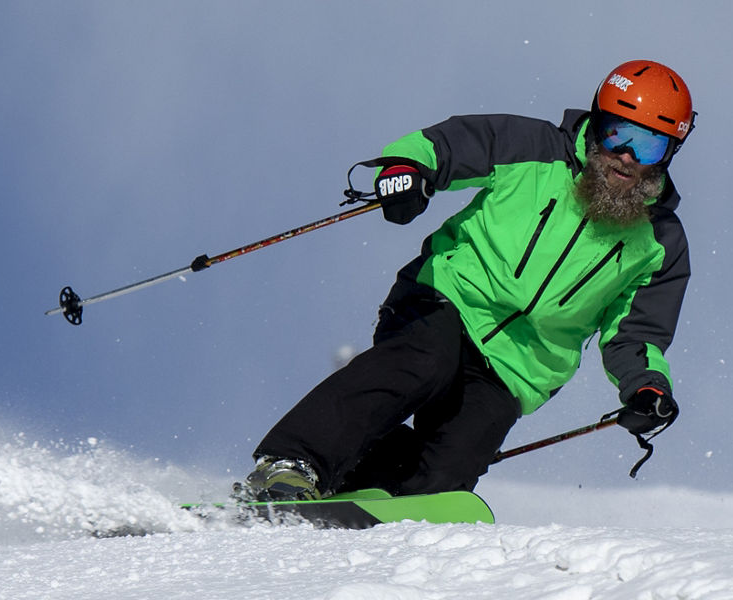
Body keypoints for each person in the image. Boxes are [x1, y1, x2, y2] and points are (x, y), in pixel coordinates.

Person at [241, 60, 698, 501]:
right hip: (447, 300)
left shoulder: (660, 242)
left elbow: (636, 335)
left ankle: (372, 491)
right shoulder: (534, 147)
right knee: (424, 361)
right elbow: (442, 145)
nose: (627, 156)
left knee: (451, 464)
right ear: (597, 124)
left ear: (669, 154)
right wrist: (406, 170)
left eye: (650, 145)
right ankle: (292, 464)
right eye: (619, 133)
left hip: (516, 369)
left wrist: (647, 386)